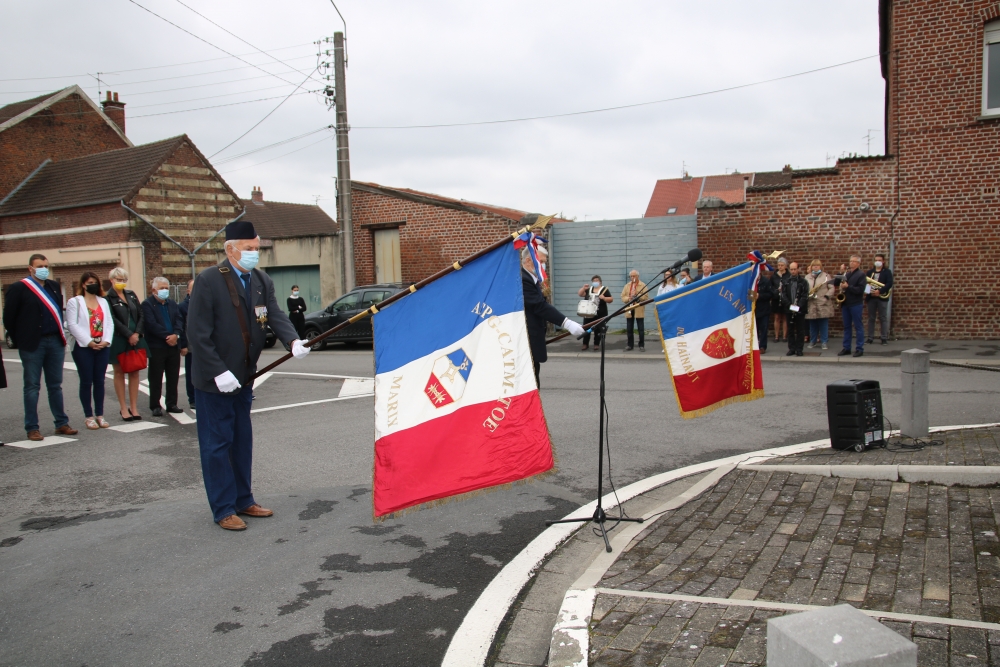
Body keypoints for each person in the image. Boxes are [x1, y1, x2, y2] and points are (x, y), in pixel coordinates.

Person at [187, 220, 310, 531]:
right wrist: (218, 371)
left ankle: (244, 499)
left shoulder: (260, 280)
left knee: (241, 441)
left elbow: (274, 313)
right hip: (215, 380)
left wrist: (292, 340)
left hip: (244, 376)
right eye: (248, 248)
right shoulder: (209, 280)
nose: (254, 253)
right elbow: (197, 333)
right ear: (230, 249)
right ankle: (223, 508)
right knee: (217, 444)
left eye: (256, 248)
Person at [2, 254, 77, 441]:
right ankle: (32, 427)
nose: (44, 269)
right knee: (32, 386)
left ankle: (61, 423)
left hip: (55, 341)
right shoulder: (19, 288)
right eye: (40, 266)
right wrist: (20, 339)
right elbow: (9, 318)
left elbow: (58, 311)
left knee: (55, 386)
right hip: (33, 344)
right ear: (30, 268)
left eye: (46, 265)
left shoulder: (53, 286)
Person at [524, 248, 583, 386]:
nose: (543, 266)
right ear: (528, 261)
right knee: (530, 382)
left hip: (533, 338)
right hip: (527, 340)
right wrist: (566, 323)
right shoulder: (524, 279)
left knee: (534, 377)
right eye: (541, 262)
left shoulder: (533, 279)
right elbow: (539, 306)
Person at [65, 272, 114, 429]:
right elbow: (72, 325)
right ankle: (89, 416)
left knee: (100, 381)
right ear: (83, 285)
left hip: (102, 346)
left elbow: (109, 323)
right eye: (89, 282)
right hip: (83, 347)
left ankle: (100, 415)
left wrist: (106, 341)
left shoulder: (103, 301)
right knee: (86, 381)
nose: (93, 285)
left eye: (95, 282)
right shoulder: (75, 302)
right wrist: (89, 342)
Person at [107, 267, 148, 421]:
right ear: (111, 280)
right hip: (119, 339)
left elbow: (141, 314)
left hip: (136, 338)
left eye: (124, 280)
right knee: (119, 372)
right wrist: (128, 334)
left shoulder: (131, 294)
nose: (122, 282)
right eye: (119, 279)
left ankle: (134, 407)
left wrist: (137, 333)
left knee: (135, 371)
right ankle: (123, 408)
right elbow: (112, 319)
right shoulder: (107, 298)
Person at [142, 277, 185, 417]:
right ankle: (155, 405)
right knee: (156, 377)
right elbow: (151, 324)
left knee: (173, 376)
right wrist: (168, 336)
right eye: (162, 288)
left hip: (173, 346)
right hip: (157, 346)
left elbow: (179, 320)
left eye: (167, 288)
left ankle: (172, 403)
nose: (165, 290)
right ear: (154, 290)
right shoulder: (147, 304)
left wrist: (176, 335)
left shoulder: (172, 304)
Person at [837, 255, 867, 357]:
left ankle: (859, 348)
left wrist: (848, 287)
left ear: (858, 263)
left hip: (856, 303)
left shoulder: (861, 275)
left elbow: (860, 290)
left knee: (858, 326)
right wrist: (840, 274)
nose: (851, 263)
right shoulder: (847, 274)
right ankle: (846, 348)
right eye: (850, 261)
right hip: (846, 303)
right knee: (847, 327)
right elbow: (837, 282)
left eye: (854, 261)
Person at [804, 259, 834, 350]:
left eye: (817, 265)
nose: (816, 267)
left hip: (822, 303)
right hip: (811, 303)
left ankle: (824, 342)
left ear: (820, 266)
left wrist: (826, 297)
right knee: (812, 324)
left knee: (823, 324)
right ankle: (813, 341)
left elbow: (831, 288)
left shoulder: (826, 276)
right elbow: (804, 289)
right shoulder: (807, 277)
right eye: (814, 265)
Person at [577, 276, 612, 351]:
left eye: (597, 280)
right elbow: (580, 294)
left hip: (600, 313)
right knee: (586, 328)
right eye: (594, 280)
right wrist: (583, 288)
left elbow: (611, 299)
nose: (595, 282)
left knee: (598, 329)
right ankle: (585, 344)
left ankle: (596, 344)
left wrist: (604, 298)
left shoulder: (604, 289)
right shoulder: (589, 289)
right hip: (588, 313)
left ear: (600, 282)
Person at [865, 253, 894, 345]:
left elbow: (889, 283)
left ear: (883, 261)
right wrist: (868, 291)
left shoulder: (887, 272)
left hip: (882, 298)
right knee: (871, 318)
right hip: (871, 297)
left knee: (883, 318)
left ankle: (884, 338)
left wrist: (880, 291)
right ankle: (870, 338)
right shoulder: (870, 272)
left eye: (880, 260)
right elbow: (867, 284)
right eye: (876, 260)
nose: (878, 262)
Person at [784, 262, 810, 356]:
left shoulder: (803, 282)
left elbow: (805, 296)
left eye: (795, 269)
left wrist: (798, 306)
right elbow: (783, 295)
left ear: (798, 269)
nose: (793, 271)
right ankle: (791, 348)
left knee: (800, 330)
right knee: (790, 330)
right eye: (791, 269)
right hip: (789, 309)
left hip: (800, 309)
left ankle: (799, 349)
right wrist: (790, 305)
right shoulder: (786, 281)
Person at [620, 270, 648, 351]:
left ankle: (641, 345)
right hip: (630, 307)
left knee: (640, 328)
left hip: (638, 307)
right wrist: (628, 298)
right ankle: (630, 345)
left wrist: (638, 296)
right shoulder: (627, 286)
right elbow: (622, 297)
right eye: (631, 276)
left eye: (634, 276)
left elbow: (646, 297)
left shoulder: (642, 285)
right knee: (629, 328)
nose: (632, 277)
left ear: (638, 276)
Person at [178, 279, 195, 409]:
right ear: (188, 291)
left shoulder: (204, 303)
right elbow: (181, 327)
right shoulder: (183, 307)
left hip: (203, 347)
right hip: (190, 347)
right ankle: (192, 399)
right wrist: (183, 345)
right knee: (191, 374)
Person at [770, 257, 790, 342]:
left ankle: (785, 336)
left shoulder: (789, 275)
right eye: (779, 265)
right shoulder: (774, 276)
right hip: (776, 299)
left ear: (785, 266)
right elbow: (770, 287)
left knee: (785, 317)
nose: (780, 267)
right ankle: (776, 336)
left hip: (785, 299)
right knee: (777, 317)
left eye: (782, 265)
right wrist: (776, 291)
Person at [754, 266, 773, 355]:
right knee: (755, 329)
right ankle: (755, 346)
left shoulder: (766, 281)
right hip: (754, 310)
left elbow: (770, 294)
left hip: (764, 309)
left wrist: (760, 296)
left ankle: (762, 346)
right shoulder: (751, 282)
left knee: (764, 329)